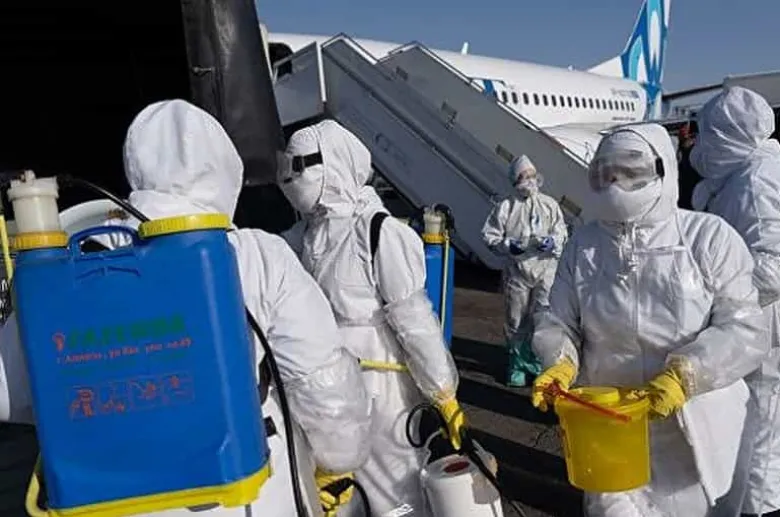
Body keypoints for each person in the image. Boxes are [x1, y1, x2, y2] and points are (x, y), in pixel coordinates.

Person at [97, 100, 373, 517]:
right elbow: (324, 387)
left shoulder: (81, 257)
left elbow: (13, 392)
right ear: (223, 167)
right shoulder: (257, 255)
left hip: (120, 492)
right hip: (248, 486)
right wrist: (337, 464)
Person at [531, 123, 767, 517]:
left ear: (662, 169)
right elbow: (558, 320)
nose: (616, 184)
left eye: (630, 171)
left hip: (692, 428)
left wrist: (687, 374)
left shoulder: (707, 238)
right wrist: (559, 361)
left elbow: (744, 328)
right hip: (609, 424)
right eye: (606, 173)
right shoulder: (584, 245)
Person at [278, 119, 464, 517]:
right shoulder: (305, 236)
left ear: (333, 165)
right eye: (286, 167)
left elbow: (414, 321)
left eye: (298, 167)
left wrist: (442, 391)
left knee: (394, 491)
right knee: (338, 494)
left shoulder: (377, 232)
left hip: (383, 390)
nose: (289, 179)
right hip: (326, 388)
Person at [691, 86, 780, 517]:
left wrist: (711, 298)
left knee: (759, 431)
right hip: (754, 323)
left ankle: (759, 510)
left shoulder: (756, 183)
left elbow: (772, 268)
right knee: (757, 429)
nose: (701, 144)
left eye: (709, 134)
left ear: (728, 135)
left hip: (762, 328)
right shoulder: (746, 173)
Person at [481, 155, 568, 387]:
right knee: (516, 318)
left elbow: (561, 231)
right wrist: (507, 245)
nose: (529, 180)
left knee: (544, 317)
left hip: (545, 270)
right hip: (518, 272)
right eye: (523, 176)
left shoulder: (549, 205)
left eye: (531, 175)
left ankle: (539, 361)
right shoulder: (506, 207)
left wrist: (553, 242)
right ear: (515, 180)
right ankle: (518, 364)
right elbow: (489, 235)